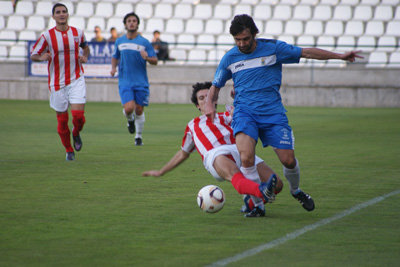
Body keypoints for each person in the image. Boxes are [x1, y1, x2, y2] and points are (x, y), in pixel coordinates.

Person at [205, 14, 364, 212]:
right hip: (245, 113)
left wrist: (339, 56)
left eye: (245, 39)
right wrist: (211, 103)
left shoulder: (273, 49)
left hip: (273, 114)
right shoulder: (230, 57)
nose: (242, 43)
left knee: (288, 160)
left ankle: (296, 190)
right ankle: (256, 203)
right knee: (246, 157)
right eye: (237, 39)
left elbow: (307, 53)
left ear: (255, 34)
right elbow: (215, 85)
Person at [143, 82, 284, 217]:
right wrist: (161, 171)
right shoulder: (192, 125)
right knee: (235, 174)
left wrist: (238, 99)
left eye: (208, 96)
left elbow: (241, 115)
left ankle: (252, 202)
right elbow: (183, 154)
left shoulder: (226, 116)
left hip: (239, 150)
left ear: (214, 100)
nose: (205, 100)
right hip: (215, 153)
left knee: (278, 184)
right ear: (197, 105)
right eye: (201, 98)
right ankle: (260, 191)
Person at [30, 3, 90, 161]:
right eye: (58, 12)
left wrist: (85, 57)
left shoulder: (77, 32)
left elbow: (86, 47)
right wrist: (41, 57)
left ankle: (76, 133)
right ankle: (69, 149)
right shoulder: (47, 36)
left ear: (68, 14)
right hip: (57, 83)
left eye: (64, 11)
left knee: (78, 116)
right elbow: (33, 54)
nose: (62, 14)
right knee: (62, 120)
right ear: (53, 16)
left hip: (76, 79)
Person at [110, 12, 158, 146]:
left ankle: (138, 137)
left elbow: (155, 60)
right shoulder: (120, 41)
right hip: (125, 81)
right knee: (129, 108)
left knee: (139, 110)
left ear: (137, 24)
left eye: (134, 21)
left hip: (141, 82)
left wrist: (147, 58)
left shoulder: (144, 42)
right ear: (125, 24)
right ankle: (130, 120)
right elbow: (115, 56)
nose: (132, 23)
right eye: (129, 21)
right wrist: (113, 68)